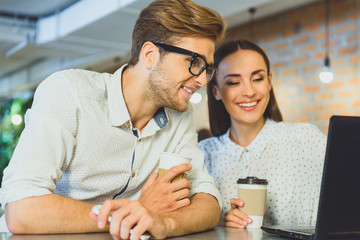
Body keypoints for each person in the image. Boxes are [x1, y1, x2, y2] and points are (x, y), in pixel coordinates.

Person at [0, 1, 226, 239]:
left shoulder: (180, 116)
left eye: (207, 68)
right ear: (150, 55)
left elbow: (208, 201)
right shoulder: (69, 92)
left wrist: (165, 222)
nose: (202, 80)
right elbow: (21, 209)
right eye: (194, 63)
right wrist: (134, 213)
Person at [199, 39, 326, 228]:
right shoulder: (203, 154)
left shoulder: (306, 139)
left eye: (257, 79)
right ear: (216, 91)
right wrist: (222, 227)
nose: (249, 91)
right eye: (234, 82)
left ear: (269, 82)